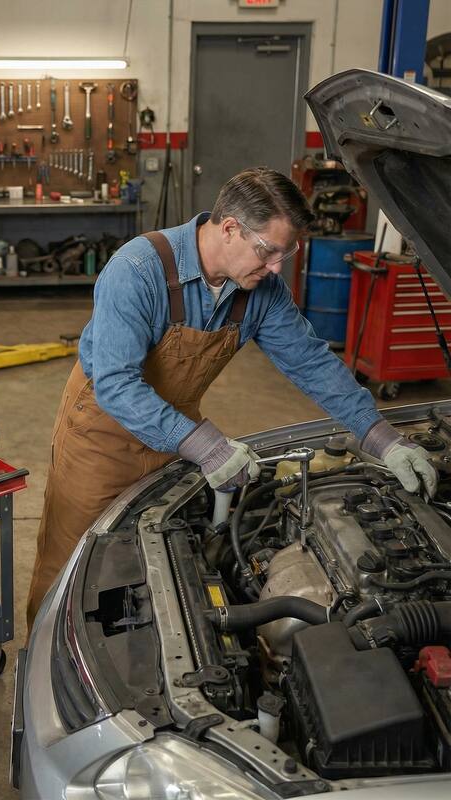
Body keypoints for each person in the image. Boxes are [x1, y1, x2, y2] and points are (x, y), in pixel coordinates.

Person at [26, 167, 437, 628]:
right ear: (229, 228)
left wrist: (383, 438)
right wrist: (206, 446)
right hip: (99, 438)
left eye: (287, 253)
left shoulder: (260, 289)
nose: (277, 267)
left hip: (173, 437)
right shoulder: (137, 270)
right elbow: (117, 385)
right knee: (70, 570)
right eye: (269, 251)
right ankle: (42, 658)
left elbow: (312, 363)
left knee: (149, 564)